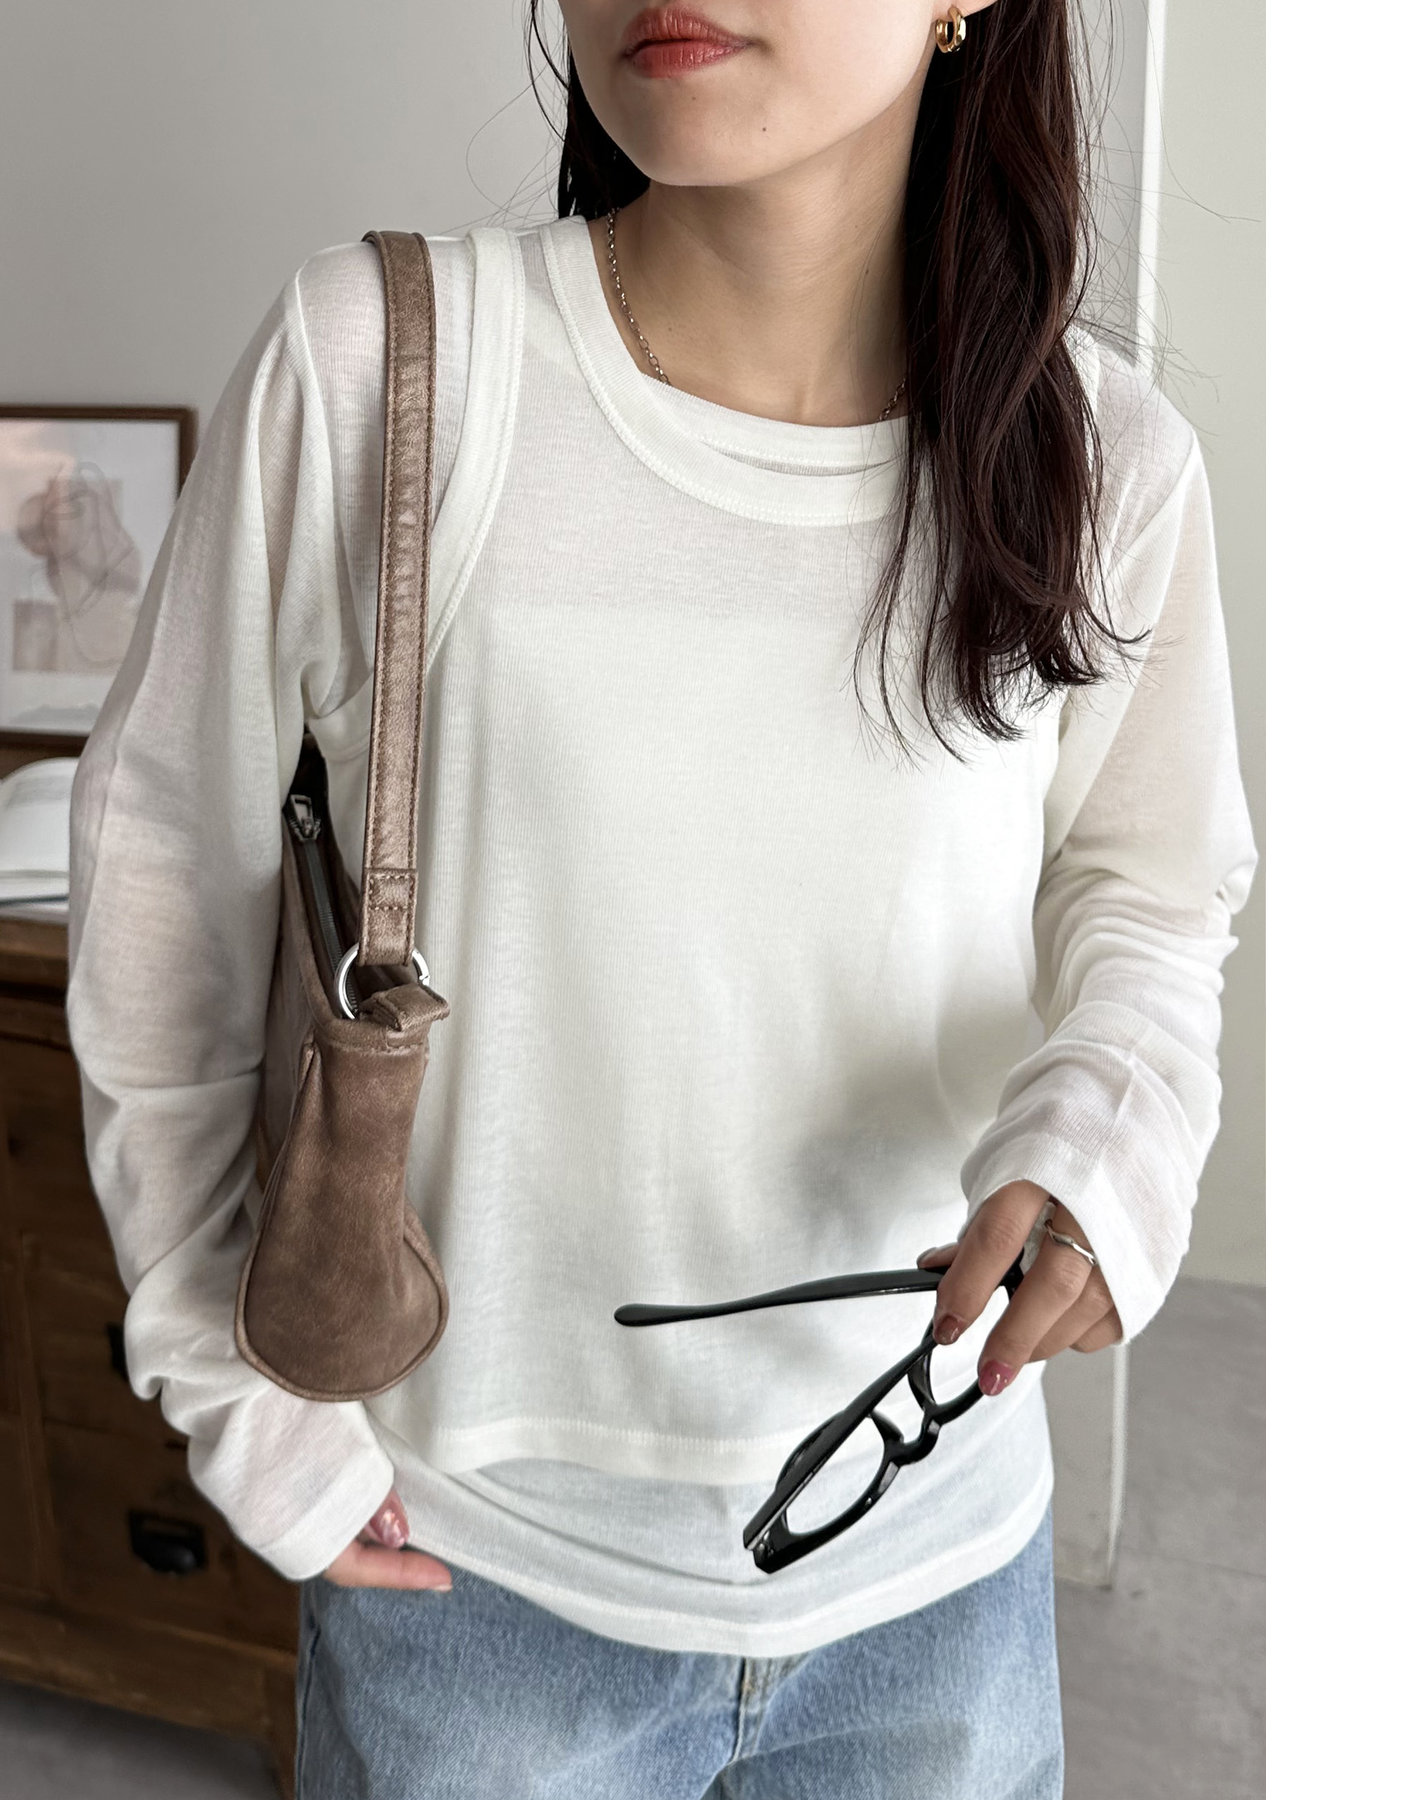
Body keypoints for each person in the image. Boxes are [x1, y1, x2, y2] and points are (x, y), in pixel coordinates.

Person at [65, 1, 1257, 1793]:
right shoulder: (390, 363)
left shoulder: (1109, 464)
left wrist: (1110, 1147)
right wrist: (232, 1395)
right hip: (472, 1583)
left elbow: (1150, 897)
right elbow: (164, 866)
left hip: (937, 1577)